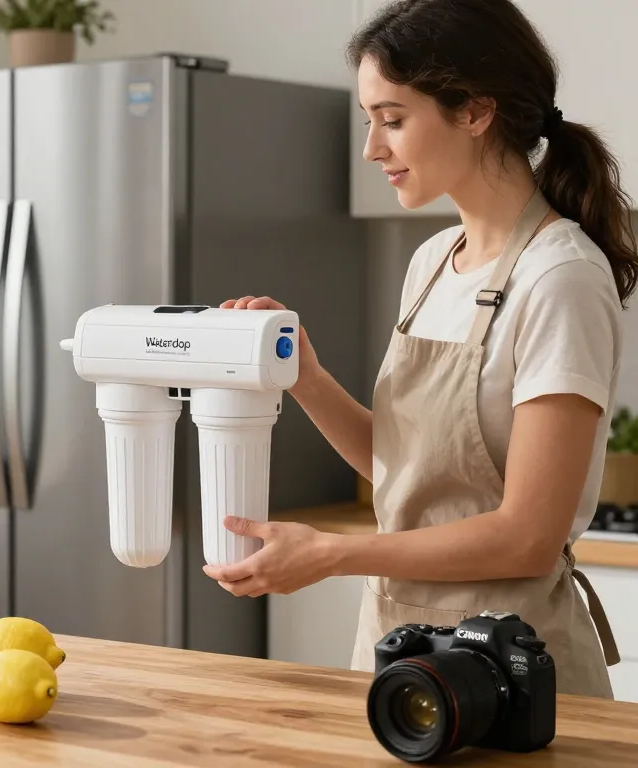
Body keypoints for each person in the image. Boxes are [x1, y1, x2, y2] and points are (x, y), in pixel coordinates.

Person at [205, 0, 637, 699]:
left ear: (473, 111)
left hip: (509, 666)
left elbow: (527, 534)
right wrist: (305, 377)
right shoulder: (435, 261)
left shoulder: (559, 277)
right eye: (369, 122)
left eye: (393, 120)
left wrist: (333, 553)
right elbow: (404, 468)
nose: (373, 149)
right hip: (402, 650)